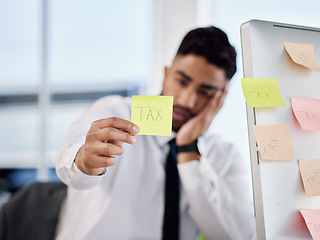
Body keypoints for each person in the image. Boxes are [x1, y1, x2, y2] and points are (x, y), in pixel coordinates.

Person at [55, 26, 255, 240]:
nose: (187, 100)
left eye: (205, 92)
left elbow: (237, 235)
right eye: (181, 82)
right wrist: (85, 162)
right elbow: (70, 170)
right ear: (166, 74)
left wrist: (188, 147)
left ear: (220, 98)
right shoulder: (115, 113)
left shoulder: (225, 155)